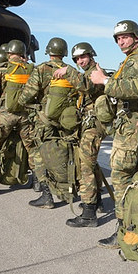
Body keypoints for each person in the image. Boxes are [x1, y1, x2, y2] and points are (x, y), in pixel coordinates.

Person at [90, 20, 138, 247]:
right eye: (118, 38)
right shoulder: (132, 61)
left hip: (131, 129)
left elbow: (135, 89)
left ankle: (122, 233)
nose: (121, 41)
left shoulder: (137, 61)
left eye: (125, 36)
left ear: (136, 36)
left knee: (120, 179)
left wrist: (104, 81)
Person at [53, 42, 107, 227]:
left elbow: (88, 87)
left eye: (83, 57)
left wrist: (67, 70)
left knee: (85, 167)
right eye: (76, 59)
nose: (80, 61)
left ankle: (88, 213)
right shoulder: (86, 72)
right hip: (88, 125)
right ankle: (97, 199)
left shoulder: (95, 72)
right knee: (91, 164)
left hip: (94, 126)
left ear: (91, 56)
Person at [18, 37, 70, 208]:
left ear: (49, 52)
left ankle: (46, 195)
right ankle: (67, 191)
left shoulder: (41, 69)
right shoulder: (69, 70)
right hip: (63, 121)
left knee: (39, 155)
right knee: (61, 154)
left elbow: (25, 96)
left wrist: (33, 105)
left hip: (43, 120)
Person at [0, 40, 36, 195]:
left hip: (5, 116)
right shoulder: (31, 70)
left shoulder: (1, 70)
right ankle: (38, 182)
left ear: (9, 54)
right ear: (23, 53)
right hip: (26, 116)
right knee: (32, 148)